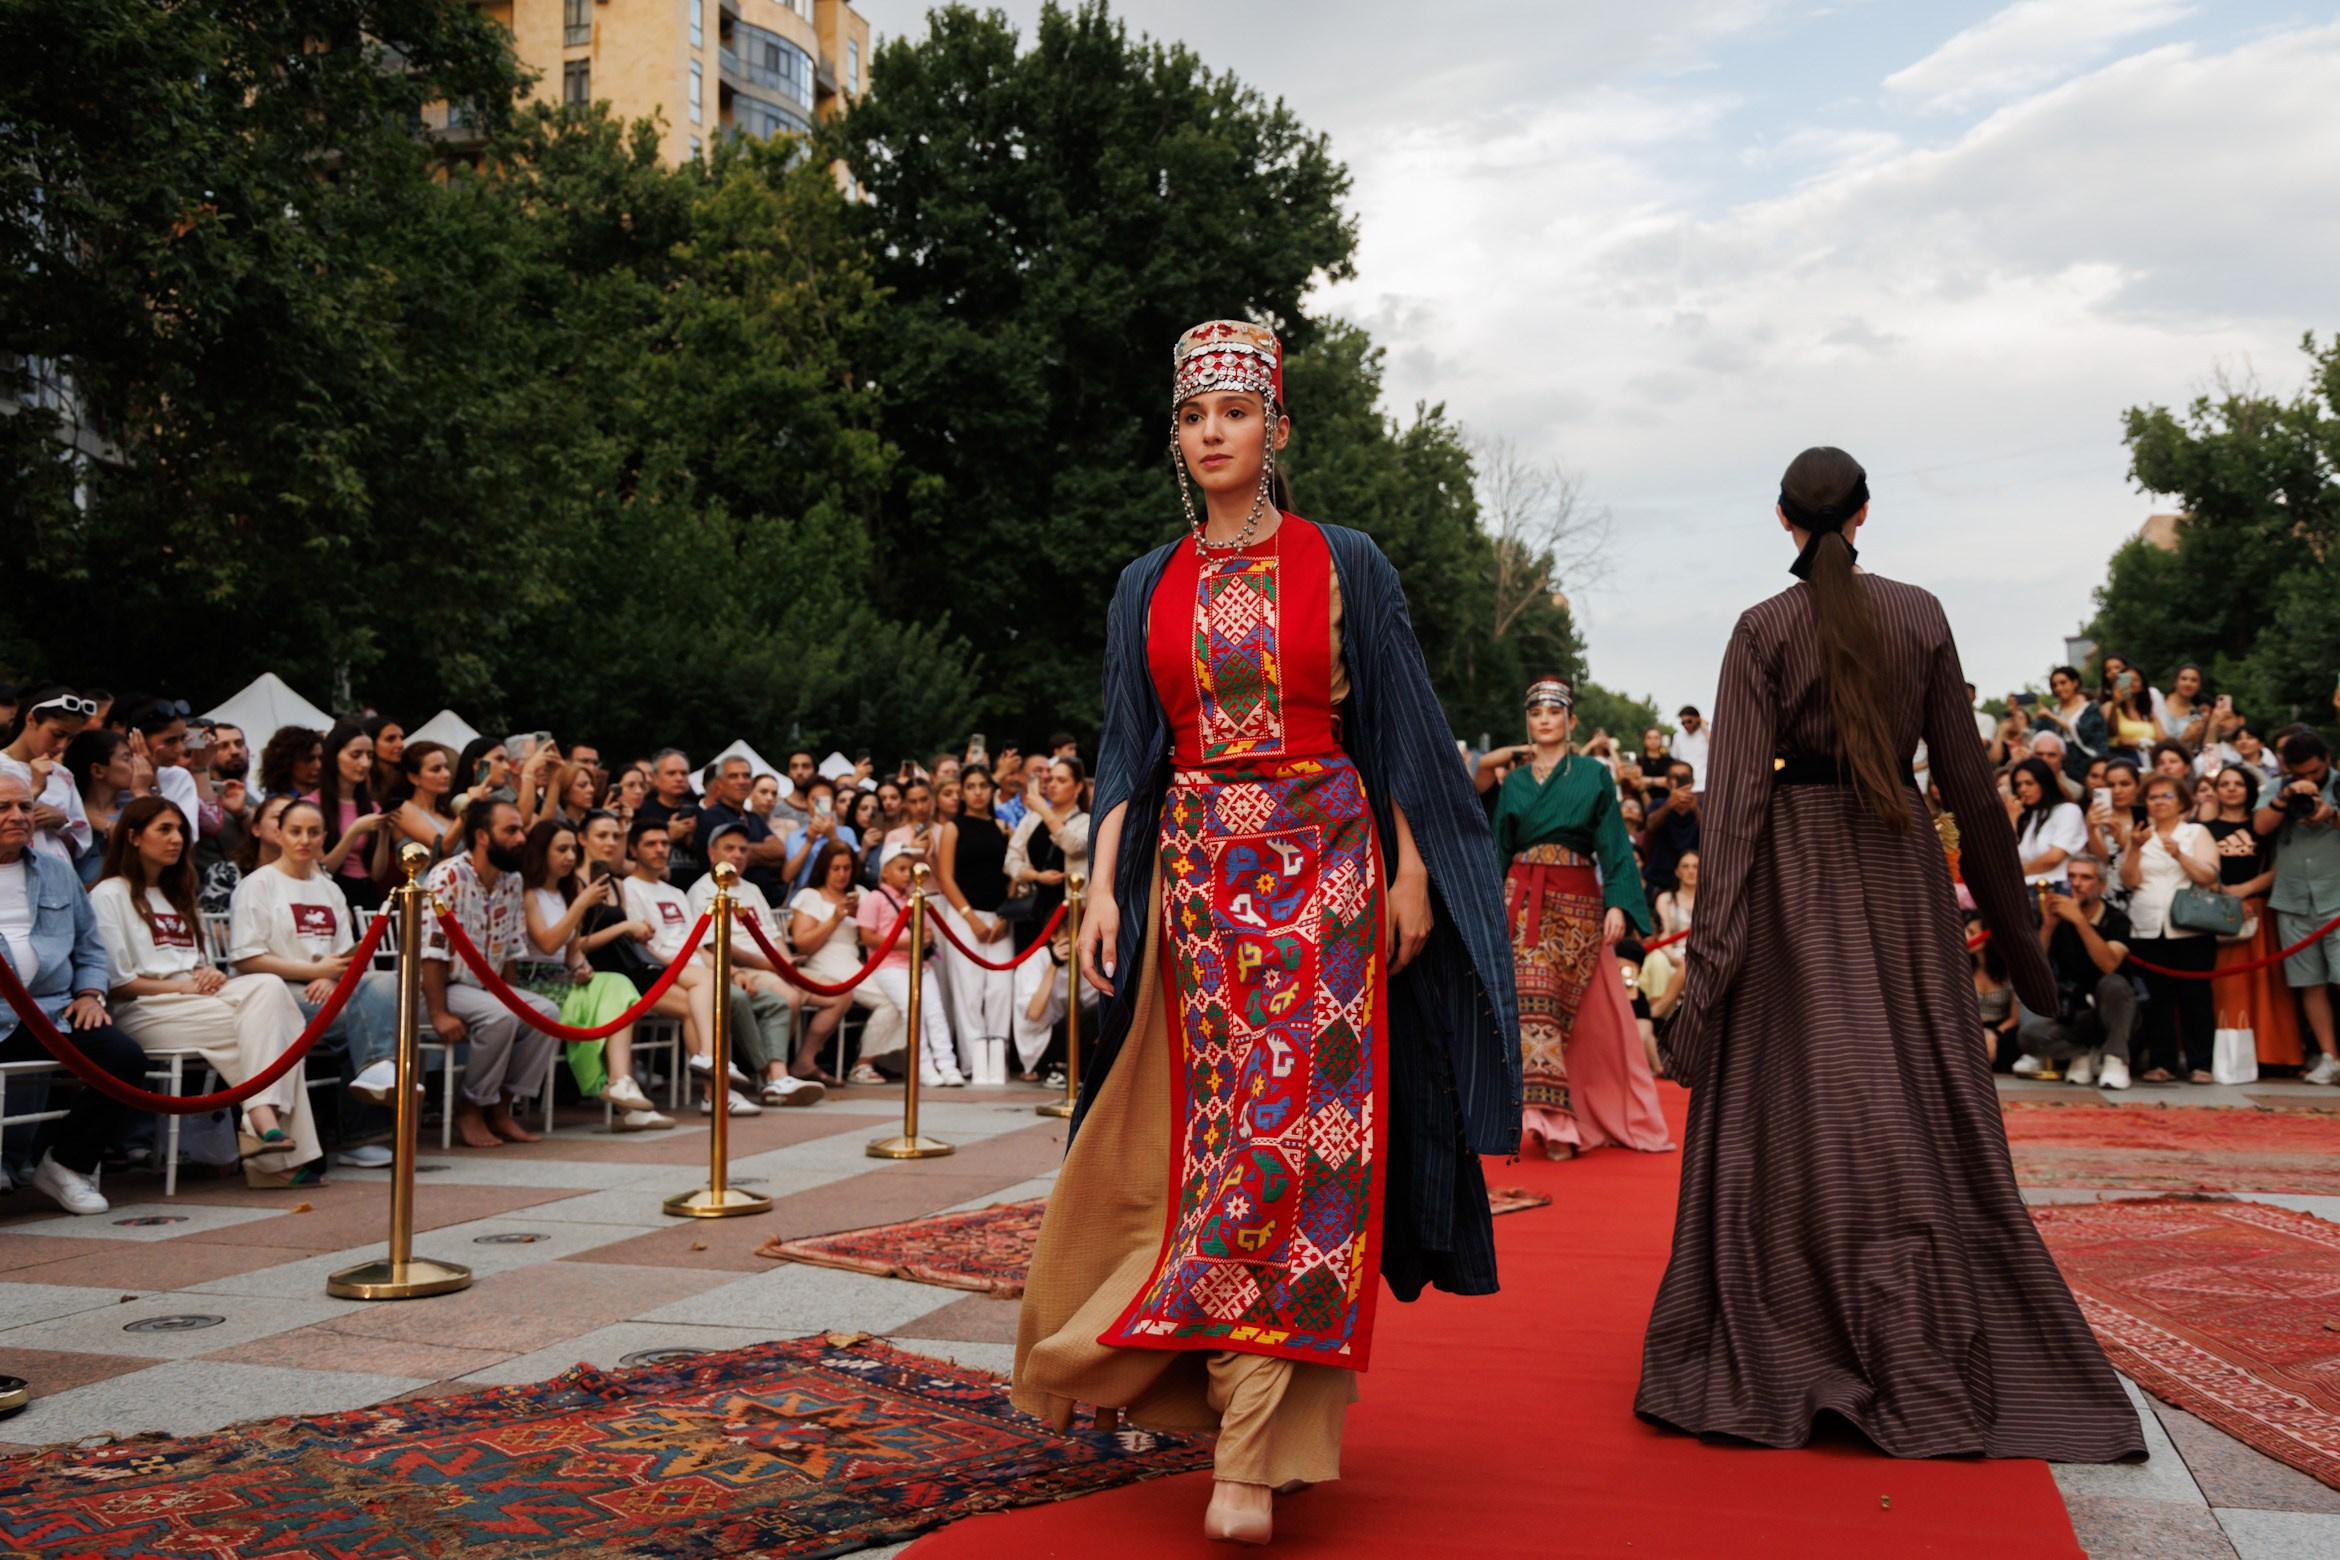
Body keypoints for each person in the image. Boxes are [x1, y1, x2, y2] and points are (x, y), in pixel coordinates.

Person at [1018, 320, 1520, 1545]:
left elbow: (1399, 727)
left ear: (1276, 431)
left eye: (1232, 416)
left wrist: (1412, 870)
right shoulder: (1147, 582)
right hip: (1192, 891)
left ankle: (1252, 1449)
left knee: (1309, 1151)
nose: (1210, 436)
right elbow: (1129, 740)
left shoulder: (1345, 560)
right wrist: (1099, 888)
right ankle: (1203, 1397)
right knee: (1207, 1149)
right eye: (1193, 419)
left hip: (1329, 886)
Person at [1636, 445, 2140, 1461]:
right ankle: (1921, 1330)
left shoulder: (1761, 630)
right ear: (1865, 514)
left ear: (1782, 519)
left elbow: (1731, 816)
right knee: (1916, 1092)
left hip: (1791, 880)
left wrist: (1706, 986)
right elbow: (1970, 787)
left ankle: (1791, 1329)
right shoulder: (1921, 615)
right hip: (1900, 866)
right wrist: (2027, 961)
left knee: (1795, 1102)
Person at [92, 796, 324, 1185]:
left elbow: (196, 963)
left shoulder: (178, 893)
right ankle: (271, 1151)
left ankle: (264, 1124)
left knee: (269, 990)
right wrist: (186, 986)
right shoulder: (108, 895)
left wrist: (209, 975)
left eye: (180, 830)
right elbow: (118, 985)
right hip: (145, 1010)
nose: (177, 839)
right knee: (278, 1028)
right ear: (133, 837)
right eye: (164, 829)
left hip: (197, 1002)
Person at [1491, 677, 1668, 1160]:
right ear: (1528, 723)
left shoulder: (1592, 775)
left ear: (1571, 722)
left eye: (1553, 711)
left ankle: (1571, 1115)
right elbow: (1499, 851)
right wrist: (1486, 908)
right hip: (1522, 900)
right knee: (1536, 1000)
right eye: (1536, 712)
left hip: (1577, 904)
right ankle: (1553, 1123)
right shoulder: (1517, 783)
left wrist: (1618, 902)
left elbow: (1612, 841)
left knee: (1578, 1016)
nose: (1544, 719)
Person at [0, 772, 151, 1213]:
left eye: (25, 807)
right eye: (3, 808)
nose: (18, 816)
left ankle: (66, 1164)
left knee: (125, 1059)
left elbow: (89, 947)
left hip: (54, 1012)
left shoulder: (56, 870)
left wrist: (89, 993)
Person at [225, 799, 406, 1164]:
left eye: (313, 832)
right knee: (370, 1020)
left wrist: (334, 978)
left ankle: (376, 1074)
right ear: (278, 834)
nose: (304, 839)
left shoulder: (329, 888)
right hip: (276, 996)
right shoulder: (257, 885)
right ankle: (361, 1132)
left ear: (325, 836)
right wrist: (316, 972)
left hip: (329, 993)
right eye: (295, 831)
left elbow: (346, 955)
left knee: (385, 983)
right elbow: (246, 958)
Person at [418, 799, 563, 1148]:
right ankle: (470, 1108)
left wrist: (516, 1002)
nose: (520, 838)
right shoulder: (447, 875)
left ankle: (501, 1107)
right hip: (438, 988)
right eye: (510, 830)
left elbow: (511, 950)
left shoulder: (512, 881)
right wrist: (438, 1012)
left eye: (520, 830)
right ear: (482, 836)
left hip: (485, 989)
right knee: (500, 1016)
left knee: (546, 1013)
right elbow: (431, 950)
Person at [516, 818, 673, 1130]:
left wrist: (581, 967)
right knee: (613, 992)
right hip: (533, 982)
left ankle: (621, 1082)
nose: (570, 857)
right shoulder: (529, 893)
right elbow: (547, 943)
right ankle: (621, 1091)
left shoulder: (562, 894)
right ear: (541, 852)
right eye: (561, 850)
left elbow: (571, 950)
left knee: (616, 984)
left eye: (572, 850)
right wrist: (581, 904)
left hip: (564, 977)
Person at [623, 815, 755, 1114]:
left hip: (689, 971)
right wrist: (684, 968)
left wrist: (731, 971)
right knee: (708, 988)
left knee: (704, 997)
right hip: (656, 971)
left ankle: (714, 1093)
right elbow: (642, 946)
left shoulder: (675, 893)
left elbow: (697, 946)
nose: (660, 849)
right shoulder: (629, 888)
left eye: (664, 843)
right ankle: (716, 1073)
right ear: (633, 850)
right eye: (650, 844)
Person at [690, 821, 824, 1106]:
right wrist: (768, 967)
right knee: (786, 998)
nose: (738, 855)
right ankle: (773, 1076)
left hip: (769, 964)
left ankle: (779, 1075)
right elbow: (712, 945)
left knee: (834, 991)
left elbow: (772, 935)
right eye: (730, 849)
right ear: (712, 854)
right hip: (729, 968)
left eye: (743, 849)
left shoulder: (752, 889)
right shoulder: (701, 890)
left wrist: (786, 963)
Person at [2202, 765, 2302, 1071]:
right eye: (2225, 784)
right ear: (2216, 790)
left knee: (2265, 986)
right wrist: (2224, 894)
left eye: (2238, 784)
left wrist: (2243, 891)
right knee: (2225, 986)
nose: (2231, 789)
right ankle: (2225, 1057)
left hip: (2257, 911)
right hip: (2215, 912)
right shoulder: (2203, 828)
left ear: (2249, 790)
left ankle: (2272, 1055)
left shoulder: (2264, 829)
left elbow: (2279, 867)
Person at [2254, 732, 2340, 1084]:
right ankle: (2329, 1056)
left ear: (2327, 759)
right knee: (2310, 983)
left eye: (2316, 772)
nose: (2310, 780)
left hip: (2336, 895)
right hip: (2292, 898)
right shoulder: (2279, 787)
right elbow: (2260, 827)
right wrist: (2286, 797)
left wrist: (2330, 814)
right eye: (2301, 774)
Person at [2016, 855, 2137, 1090]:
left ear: (2102, 886)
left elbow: (2109, 965)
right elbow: (2035, 969)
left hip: (2116, 1015)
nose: (2076, 883)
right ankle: (2083, 1053)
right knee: (2029, 1036)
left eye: (2085, 877)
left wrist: (2080, 922)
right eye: (2071, 876)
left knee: (2113, 983)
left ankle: (2115, 1059)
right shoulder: (2059, 918)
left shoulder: (2116, 919)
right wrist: (2048, 928)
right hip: (2075, 1013)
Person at [933, 762, 1014, 1077]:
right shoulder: (954, 827)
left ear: (991, 789)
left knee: (1000, 988)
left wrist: (1005, 915)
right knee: (968, 988)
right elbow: (946, 876)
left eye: (983, 785)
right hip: (964, 915)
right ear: (963, 792)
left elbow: (1011, 873)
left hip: (999, 916)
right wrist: (969, 917)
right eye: (971, 786)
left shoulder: (1002, 827)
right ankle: (973, 1064)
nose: (978, 792)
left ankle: (998, 1062)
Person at [858, 841, 956, 1086]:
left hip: (919, 965)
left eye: (909, 869)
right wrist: (907, 943)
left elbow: (926, 930)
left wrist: (925, 939)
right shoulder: (874, 898)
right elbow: (867, 937)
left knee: (935, 1011)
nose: (907, 875)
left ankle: (947, 1063)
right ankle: (923, 1066)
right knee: (914, 1012)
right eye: (901, 869)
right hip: (889, 965)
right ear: (885, 871)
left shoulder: (915, 898)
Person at [788, 841, 883, 1085]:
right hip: (822, 960)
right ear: (824, 869)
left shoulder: (860, 893)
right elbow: (803, 945)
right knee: (887, 1000)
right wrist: (835, 919)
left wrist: (861, 916)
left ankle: (877, 1059)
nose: (842, 874)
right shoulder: (810, 896)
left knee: (899, 995)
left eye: (847, 868)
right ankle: (862, 1063)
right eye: (836, 868)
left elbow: (877, 934)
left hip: (856, 959)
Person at [0, 686, 95, 868]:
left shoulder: (63, 775)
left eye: (71, 739)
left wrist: (61, 822)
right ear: (31, 720)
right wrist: (33, 791)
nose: (61, 746)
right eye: (57, 734)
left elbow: (75, 849)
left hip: (56, 883)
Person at [1004, 756, 1090, 956]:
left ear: (1078, 787)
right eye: (1050, 779)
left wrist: (1044, 809)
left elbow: (1073, 845)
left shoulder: (1087, 821)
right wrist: (1036, 876)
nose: (1052, 785)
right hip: (1031, 910)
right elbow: (1010, 860)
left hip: (1069, 914)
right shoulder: (1032, 818)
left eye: (1061, 780)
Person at [311, 719, 389, 913]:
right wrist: (355, 830)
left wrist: (385, 832)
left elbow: (377, 874)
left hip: (368, 895)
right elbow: (322, 870)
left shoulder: (371, 806)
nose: (364, 763)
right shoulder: (311, 806)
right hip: (332, 896)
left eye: (369, 755)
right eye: (356, 755)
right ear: (334, 756)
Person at [62, 728, 140, 887]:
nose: (136, 764)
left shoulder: (132, 812)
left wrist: (142, 791)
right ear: (98, 770)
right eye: (126, 758)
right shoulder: (64, 815)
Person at [2010, 756, 2086, 887]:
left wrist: (2020, 872)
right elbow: (2007, 857)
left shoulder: (2068, 810)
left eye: (2029, 783)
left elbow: (2054, 857)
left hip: (2057, 888)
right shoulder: (2024, 816)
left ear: (2044, 783)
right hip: (2023, 889)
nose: (2022, 789)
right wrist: (2012, 819)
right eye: (2018, 785)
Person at [637, 750, 704, 888]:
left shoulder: (699, 812)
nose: (679, 778)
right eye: (671, 773)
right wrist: (668, 836)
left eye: (684, 773)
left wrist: (692, 841)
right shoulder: (643, 812)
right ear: (655, 779)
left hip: (696, 891)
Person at [1637, 760, 1701, 894]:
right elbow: (1651, 826)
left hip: (1693, 880)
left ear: (1692, 781)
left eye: (1684, 777)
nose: (1679, 780)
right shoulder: (1658, 804)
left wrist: (1695, 810)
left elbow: (1712, 834)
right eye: (1674, 777)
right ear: (1667, 782)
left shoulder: (1702, 806)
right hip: (1659, 879)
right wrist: (1669, 805)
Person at [258, 725, 323, 799]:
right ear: (287, 761)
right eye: (308, 759)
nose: (318, 765)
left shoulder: (326, 797)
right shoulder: (278, 803)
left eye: (321, 758)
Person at [1653, 850, 1696, 938]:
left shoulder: (1711, 900)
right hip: (1671, 949)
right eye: (1685, 866)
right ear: (1677, 872)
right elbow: (1664, 935)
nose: (1691, 871)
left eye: (1696, 867)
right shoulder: (1665, 899)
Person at [1669, 706, 1709, 795]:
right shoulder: (1678, 737)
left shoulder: (1706, 734)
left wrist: (1704, 727)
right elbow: (1675, 759)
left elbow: (1718, 746)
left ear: (1698, 719)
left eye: (1689, 721)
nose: (1686, 725)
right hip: (1684, 786)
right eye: (1683, 723)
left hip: (1704, 785)